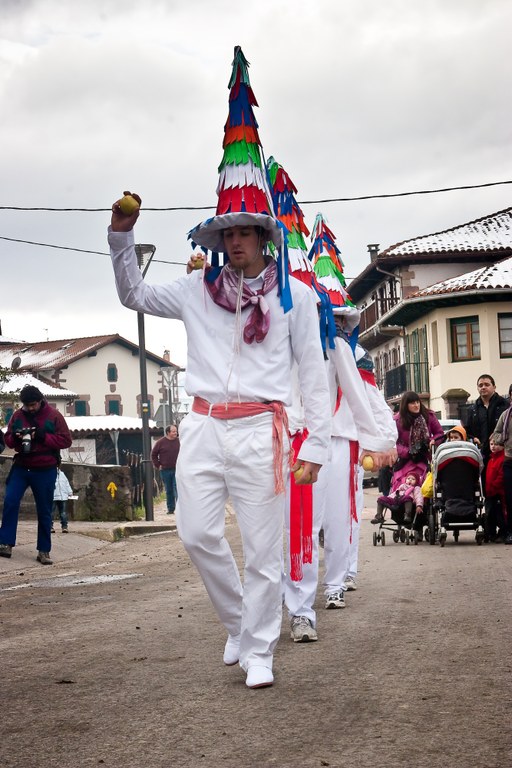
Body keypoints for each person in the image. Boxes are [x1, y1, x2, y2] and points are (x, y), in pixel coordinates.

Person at [108, 47, 331, 690]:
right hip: (203, 426)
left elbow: (313, 374)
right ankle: (239, 623)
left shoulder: (298, 299)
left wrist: (313, 441)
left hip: (263, 431)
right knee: (197, 533)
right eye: (225, 233)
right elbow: (133, 297)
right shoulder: (195, 292)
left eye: (244, 232)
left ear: (264, 236)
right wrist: (122, 238)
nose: (233, 241)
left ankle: (260, 648)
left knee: (264, 551)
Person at [0, 385, 72, 564]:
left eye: (33, 404)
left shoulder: (54, 415)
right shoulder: (17, 415)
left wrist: (42, 437)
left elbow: (66, 440)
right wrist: (16, 438)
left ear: (40, 401)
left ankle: (44, 550)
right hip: (22, 466)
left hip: (45, 468)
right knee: (10, 501)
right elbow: (7, 439)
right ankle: (5, 543)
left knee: (44, 510)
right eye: (27, 405)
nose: (30, 408)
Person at [463, 375, 508, 464]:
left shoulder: (505, 405)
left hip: (502, 453)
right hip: (481, 454)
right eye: (480, 385)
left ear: (494, 387)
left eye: (487, 385)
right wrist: (473, 438)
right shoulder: (473, 409)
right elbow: (467, 430)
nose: (483, 387)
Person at [490, 407, 512, 544]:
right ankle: (510, 531)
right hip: (509, 459)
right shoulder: (506, 415)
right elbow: (496, 433)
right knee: (510, 499)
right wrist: (504, 439)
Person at [151, 424, 180, 514]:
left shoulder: (180, 442)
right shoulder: (160, 442)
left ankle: (180, 508)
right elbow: (153, 454)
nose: (175, 433)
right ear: (168, 432)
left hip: (177, 469)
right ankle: (171, 508)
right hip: (165, 470)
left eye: (176, 431)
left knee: (177, 488)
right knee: (169, 489)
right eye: (173, 431)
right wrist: (158, 465)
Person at [484, 437, 507, 542]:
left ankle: (503, 532)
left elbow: (501, 477)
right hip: (490, 493)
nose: (493, 446)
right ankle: (491, 533)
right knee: (490, 514)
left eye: (496, 444)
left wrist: (493, 487)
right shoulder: (491, 459)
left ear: (502, 446)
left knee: (499, 515)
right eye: (491, 444)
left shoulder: (502, 459)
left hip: (498, 493)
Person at [52, 467, 73, 533]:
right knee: (51, 513)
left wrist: (70, 492)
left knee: (63, 513)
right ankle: (50, 527)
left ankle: (64, 527)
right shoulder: (50, 474)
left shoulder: (62, 474)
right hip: (53, 496)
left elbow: (67, 484)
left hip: (63, 497)